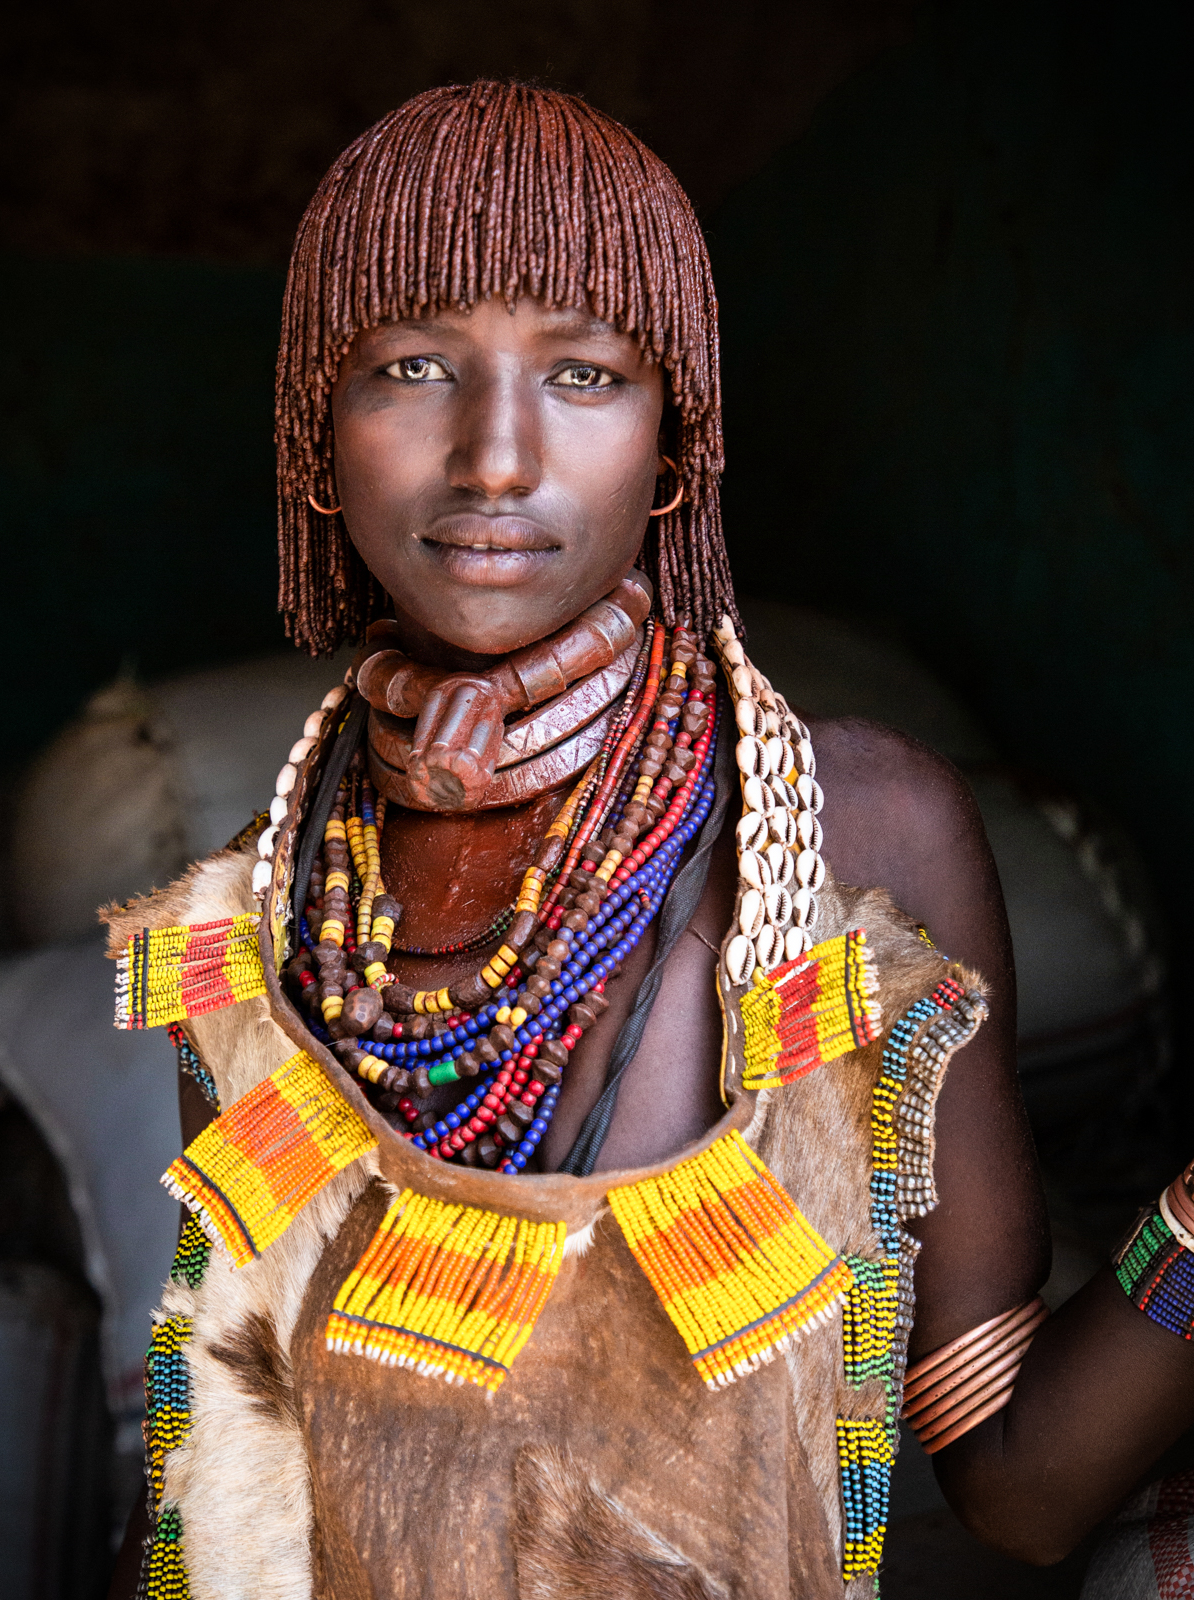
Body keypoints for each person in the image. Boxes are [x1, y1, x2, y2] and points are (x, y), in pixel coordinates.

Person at [107, 81, 1194, 1600]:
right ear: (315, 435)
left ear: (676, 440)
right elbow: (240, 1458)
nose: (495, 458)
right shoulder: (270, 913)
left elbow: (1016, 1486)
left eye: (586, 374)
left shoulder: (858, 837)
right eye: (413, 367)